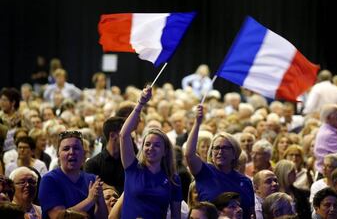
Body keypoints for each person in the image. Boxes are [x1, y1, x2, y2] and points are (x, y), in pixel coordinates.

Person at [119, 86, 182, 218]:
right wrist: (140, 104)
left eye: (157, 145)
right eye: (147, 144)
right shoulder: (132, 167)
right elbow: (124, 135)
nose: (150, 148)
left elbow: (176, 216)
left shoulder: (173, 178)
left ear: (165, 151)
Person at [185, 104, 255, 219]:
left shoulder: (245, 181)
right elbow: (189, 154)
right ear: (211, 153)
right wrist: (197, 123)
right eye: (216, 148)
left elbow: (252, 214)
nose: (220, 152)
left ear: (234, 153)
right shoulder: (205, 172)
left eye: (225, 148)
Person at [38, 130, 107, 218]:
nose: (71, 152)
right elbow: (58, 217)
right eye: (66, 149)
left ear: (84, 154)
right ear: (58, 155)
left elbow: (102, 217)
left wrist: (100, 200)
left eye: (76, 148)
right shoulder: (49, 180)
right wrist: (90, 200)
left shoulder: (92, 179)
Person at [85, 117, 125, 194]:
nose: (129, 137)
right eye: (125, 134)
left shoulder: (129, 162)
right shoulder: (92, 164)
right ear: (113, 135)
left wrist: (111, 188)